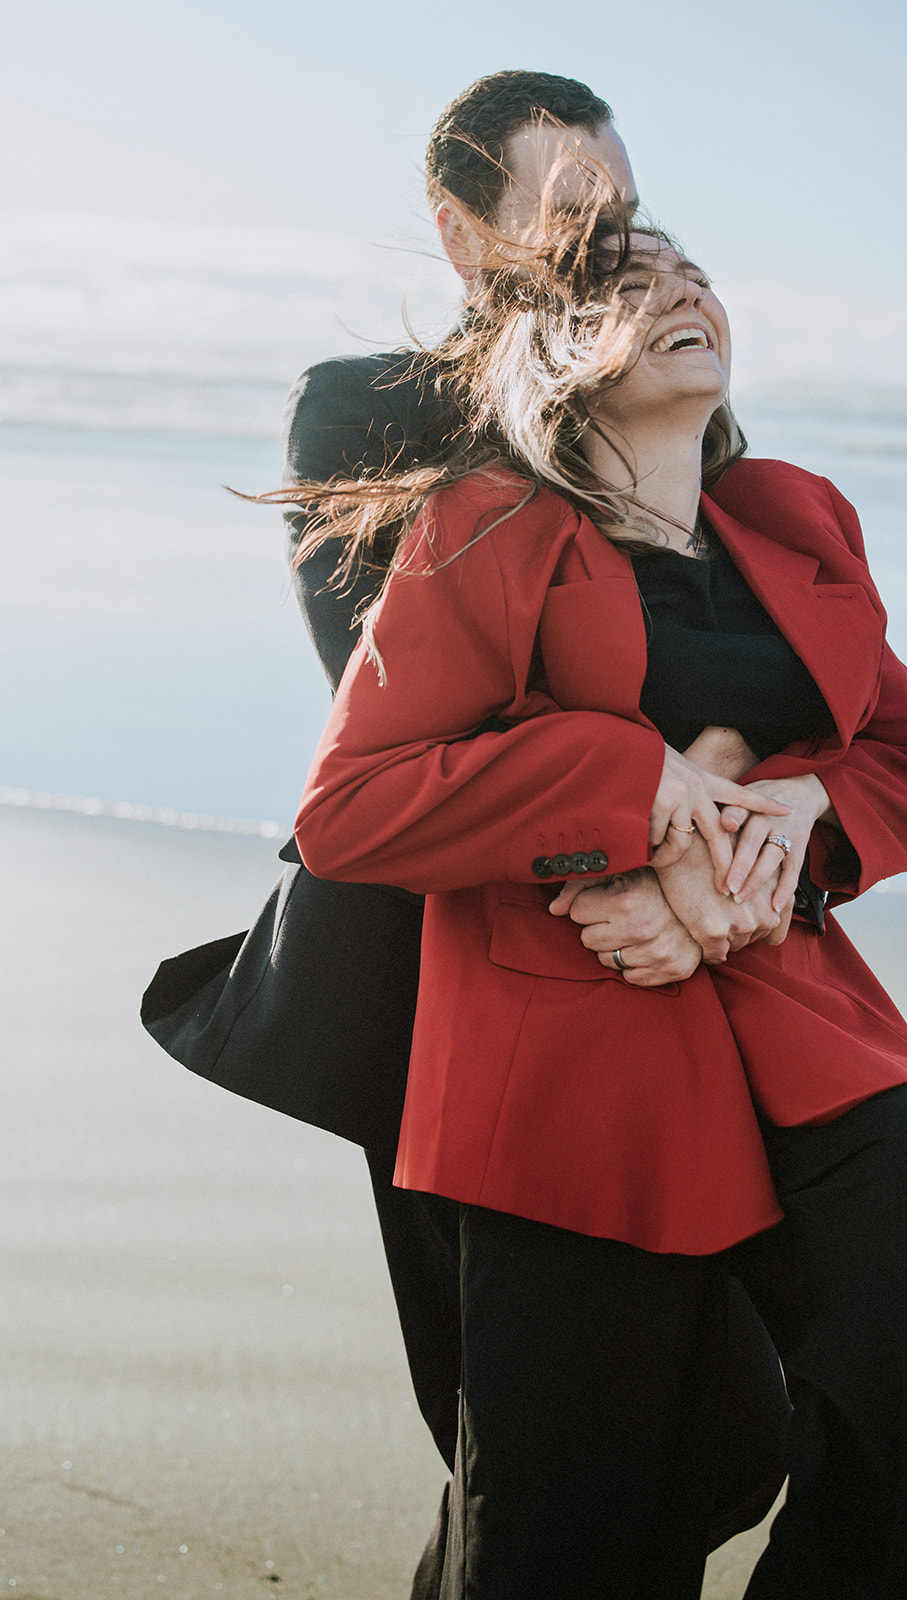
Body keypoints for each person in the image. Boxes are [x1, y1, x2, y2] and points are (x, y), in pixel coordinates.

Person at [293, 204, 907, 1597]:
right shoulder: (484, 522)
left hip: (807, 1034)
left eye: (698, 274)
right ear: (558, 347)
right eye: (637, 284)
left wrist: (811, 810)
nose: (688, 290)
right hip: (571, 1060)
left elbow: (892, 741)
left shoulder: (796, 516)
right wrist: (617, 785)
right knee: (580, 1523)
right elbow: (351, 809)